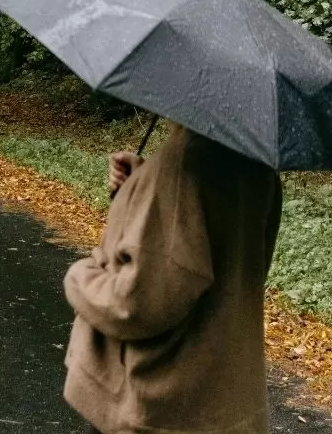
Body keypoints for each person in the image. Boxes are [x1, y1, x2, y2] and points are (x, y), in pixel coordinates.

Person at [62, 124, 283, 434]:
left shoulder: (185, 160)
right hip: (219, 399)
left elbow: (138, 303)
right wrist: (140, 187)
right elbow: (217, 249)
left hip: (159, 404)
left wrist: (80, 277)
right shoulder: (256, 164)